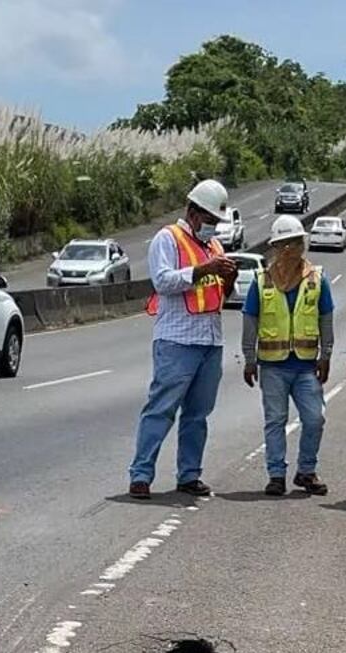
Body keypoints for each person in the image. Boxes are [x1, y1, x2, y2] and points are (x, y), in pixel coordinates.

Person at [128, 179, 238, 499]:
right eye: (209, 220)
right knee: (161, 409)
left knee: (198, 414)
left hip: (210, 340)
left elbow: (219, 294)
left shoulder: (215, 248)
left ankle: (189, 475)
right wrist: (204, 270)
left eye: (216, 222)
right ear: (192, 212)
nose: (212, 227)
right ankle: (141, 475)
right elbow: (163, 281)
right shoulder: (168, 239)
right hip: (177, 339)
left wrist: (227, 277)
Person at [242, 215, 335, 496]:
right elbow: (250, 321)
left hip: (306, 366)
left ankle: (306, 471)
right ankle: (277, 475)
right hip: (273, 367)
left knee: (315, 418)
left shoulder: (317, 280)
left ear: (302, 245)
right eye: (283, 245)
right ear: (274, 247)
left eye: (294, 244)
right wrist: (249, 359)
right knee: (276, 421)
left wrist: (326, 355)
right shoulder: (262, 282)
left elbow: (326, 319)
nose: (289, 250)